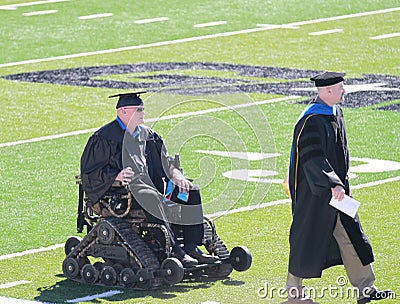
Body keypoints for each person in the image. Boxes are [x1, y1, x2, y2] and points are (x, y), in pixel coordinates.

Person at [285, 72, 392, 304]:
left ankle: (366, 288)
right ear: (328, 91)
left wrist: (339, 183)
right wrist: (332, 182)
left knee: (351, 235)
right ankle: (294, 294)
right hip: (314, 194)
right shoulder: (312, 120)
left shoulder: (334, 112)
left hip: (337, 191)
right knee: (305, 239)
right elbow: (313, 158)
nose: (345, 91)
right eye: (340, 87)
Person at [80, 91, 218, 267]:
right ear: (123, 112)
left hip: (156, 185)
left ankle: (192, 247)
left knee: (190, 191)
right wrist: (116, 176)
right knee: (152, 198)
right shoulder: (104, 137)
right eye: (138, 110)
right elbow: (89, 172)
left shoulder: (148, 135)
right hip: (124, 193)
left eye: (142, 109)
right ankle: (176, 250)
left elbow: (166, 162)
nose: (143, 113)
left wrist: (177, 174)